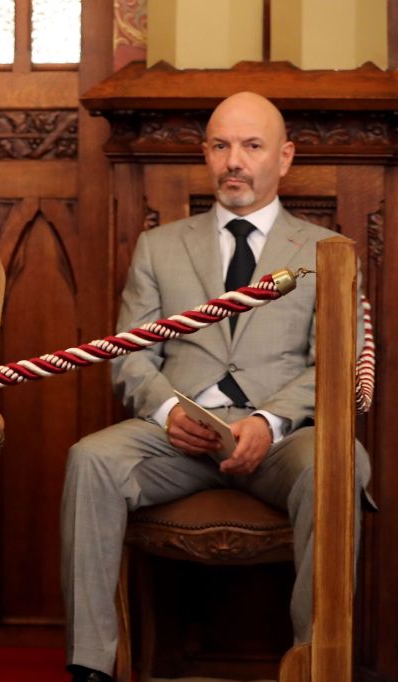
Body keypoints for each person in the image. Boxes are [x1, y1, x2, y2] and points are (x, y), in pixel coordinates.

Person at [60, 91, 373, 682]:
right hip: (177, 439)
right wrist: (163, 411)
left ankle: (320, 660)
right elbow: (128, 355)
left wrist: (271, 421)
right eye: (222, 145)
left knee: (343, 463)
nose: (235, 160)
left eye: (252, 146)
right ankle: (93, 666)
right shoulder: (160, 246)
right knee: (89, 460)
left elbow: (335, 363)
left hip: (281, 442)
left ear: (284, 157)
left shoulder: (326, 252)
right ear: (205, 154)